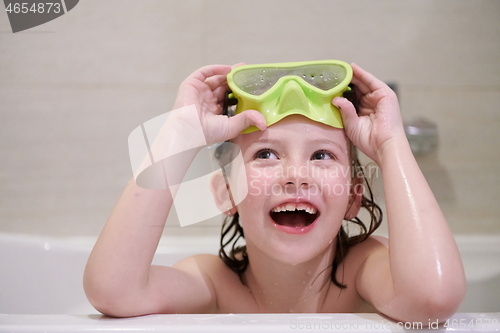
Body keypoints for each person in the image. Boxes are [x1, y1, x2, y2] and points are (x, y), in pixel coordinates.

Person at [83, 61, 466, 323]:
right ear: (226, 192)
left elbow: (432, 301)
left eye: (321, 155)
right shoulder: (216, 281)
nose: (296, 175)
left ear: (353, 197)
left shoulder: (365, 267)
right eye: (266, 153)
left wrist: (390, 144)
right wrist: (180, 135)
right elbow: (113, 290)